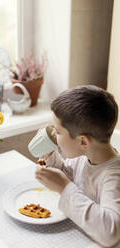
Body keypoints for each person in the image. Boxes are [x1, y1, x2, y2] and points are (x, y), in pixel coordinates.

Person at [35, 85, 120, 247]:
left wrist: (64, 188)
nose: (53, 134)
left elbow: (111, 233)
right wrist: (51, 155)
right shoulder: (84, 157)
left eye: (58, 132)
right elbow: (68, 177)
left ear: (82, 141)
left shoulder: (114, 177)